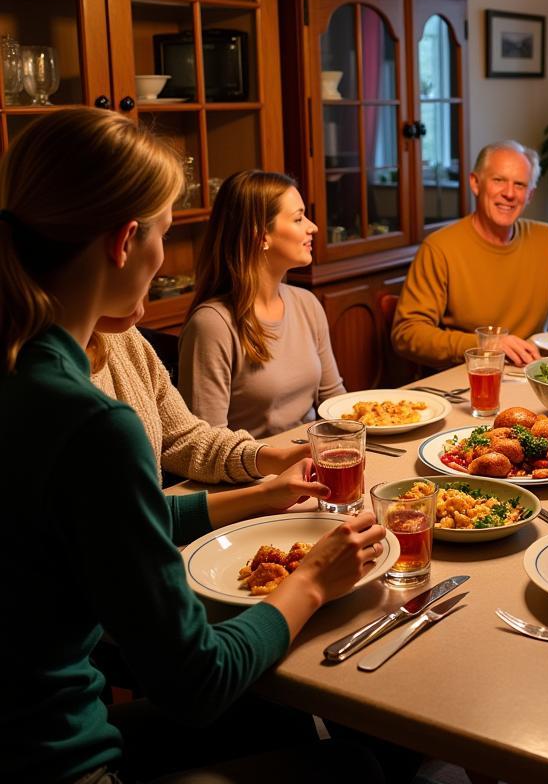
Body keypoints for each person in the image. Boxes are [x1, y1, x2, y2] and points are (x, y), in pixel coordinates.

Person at [0, 109, 386, 781]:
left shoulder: (28, 371)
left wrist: (257, 496)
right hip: (65, 761)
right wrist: (311, 581)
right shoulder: (90, 420)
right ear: (126, 242)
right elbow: (197, 681)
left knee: (291, 716)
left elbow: (112, 518)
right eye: (166, 231)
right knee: (356, 761)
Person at [391, 140, 548, 368]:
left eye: (519, 185)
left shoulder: (547, 239)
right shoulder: (439, 248)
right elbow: (408, 333)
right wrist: (485, 345)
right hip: (466, 380)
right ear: (475, 184)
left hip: (529, 374)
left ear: (530, 195)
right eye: (498, 180)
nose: (509, 193)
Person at [179, 170, 345, 437]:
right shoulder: (212, 325)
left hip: (312, 460)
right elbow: (206, 444)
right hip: (253, 475)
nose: (312, 227)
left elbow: (334, 402)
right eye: (299, 218)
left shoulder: (307, 304)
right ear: (261, 235)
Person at [91, 309, 307, 482]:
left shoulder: (125, 336)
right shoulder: (64, 385)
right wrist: (263, 496)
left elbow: (183, 439)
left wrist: (279, 459)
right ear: (119, 254)